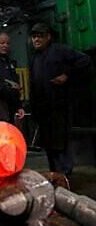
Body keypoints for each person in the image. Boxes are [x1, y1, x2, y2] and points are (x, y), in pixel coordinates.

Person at [29, 22, 91, 177]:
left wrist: (67, 75)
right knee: (50, 145)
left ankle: (65, 175)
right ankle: (55, 174)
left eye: (40, 36)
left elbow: (85, 61)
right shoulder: (35, 57)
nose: (36, 40)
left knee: (61, 142)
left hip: (59, 107)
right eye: (34, 36)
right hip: (44, 109)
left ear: (48, 37)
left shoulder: (60, 50)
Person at [0, 31, 25, 123]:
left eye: (7, 43)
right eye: (2, 43)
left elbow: (15, 84)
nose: (5, 46)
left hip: (10, 109)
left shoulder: (9, 62)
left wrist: (19, 106)